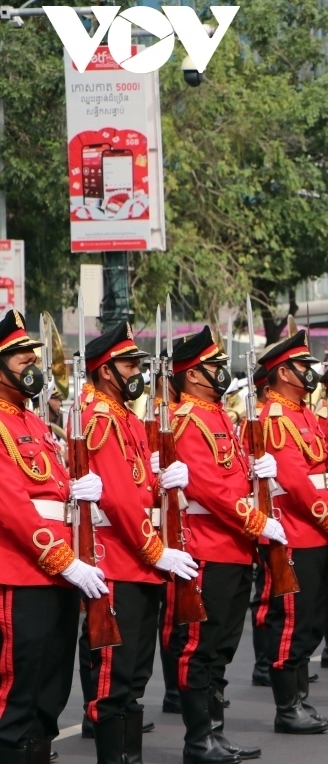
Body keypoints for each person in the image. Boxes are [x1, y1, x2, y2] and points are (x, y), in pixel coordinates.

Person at [79, 321, 197, 763]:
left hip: (140, 563)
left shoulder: (126, 417)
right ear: (106, 370)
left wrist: (162, 479)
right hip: (120, 562)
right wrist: (157, 550)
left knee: (134, 678)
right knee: (114, 679)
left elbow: (139, 487)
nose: (137, 372)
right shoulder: (100, 418)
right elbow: (120, 500)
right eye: (130, 364)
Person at [167, 326, 285, 763]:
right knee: (199, 647)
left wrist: (258, 472)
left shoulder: (219, 417)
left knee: (221, 649)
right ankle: (198, 739)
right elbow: (208, 489)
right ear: (194, 375)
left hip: (235, 547)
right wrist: (257, 521)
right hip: (208, 548)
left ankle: (215, 733)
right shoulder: (188, 419)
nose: (222, 372)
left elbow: (231, 479)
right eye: (214, 366)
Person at [0, 310, 108, 764]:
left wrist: (83, 491)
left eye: (31, 354)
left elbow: (52, 490)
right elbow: (13, 507)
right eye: (19, 355)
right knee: (17, 689)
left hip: (59, 574)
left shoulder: (37, 424)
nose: (31, 361)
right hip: (24, 570)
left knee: (52, 685)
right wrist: (64, 560)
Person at [258, 330, 328, 734]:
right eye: (303, 366)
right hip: (296, 534)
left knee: (314, 620)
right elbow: (297, 482)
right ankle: (288, 707)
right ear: (283, 372)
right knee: (293, 623)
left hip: (319, 533)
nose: (311, 372)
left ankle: (301, 700)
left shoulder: (306, 414)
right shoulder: (276, 417)